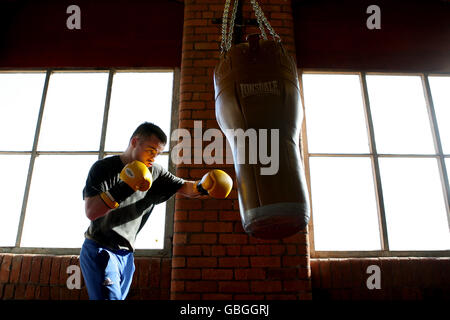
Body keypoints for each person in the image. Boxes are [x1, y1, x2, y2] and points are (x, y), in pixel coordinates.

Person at [79, 122, 232, 300]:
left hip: (126, 255)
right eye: (150, 150)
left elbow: (185, 187)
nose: (153, 158)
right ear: (134, 142)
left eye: (157, 153)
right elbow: (91, 211)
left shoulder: (155, 172)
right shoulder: (104, 168)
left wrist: (205, 184)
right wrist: (125, 187)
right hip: (100, 248)